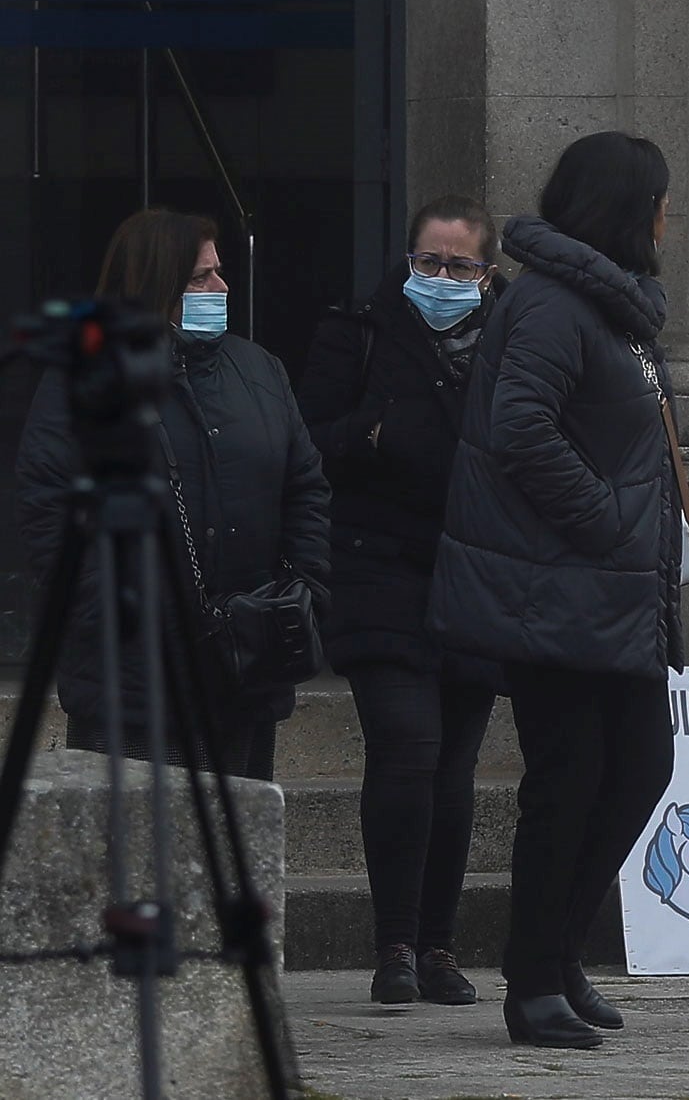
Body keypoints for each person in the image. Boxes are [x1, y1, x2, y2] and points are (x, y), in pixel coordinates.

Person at [428, 131, 682, 1050]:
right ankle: (532, 980)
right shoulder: (549, 307)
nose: (668, 216)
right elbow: (521, 431)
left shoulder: (617, 312)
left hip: (615, 595)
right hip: (558, 591)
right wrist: (610, 521)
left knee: (639, 768)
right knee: (567, 782)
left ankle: (558, 953)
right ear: (625, 208)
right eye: (658, 198)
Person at [15, 207, 330, 781]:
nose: (221, 287)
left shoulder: (258, 371)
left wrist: (301, 589)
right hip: (133, 679)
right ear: (154, 284)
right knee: (131, 860)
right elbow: (52, 510)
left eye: (218, 271)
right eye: (200, 277)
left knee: (240, 847)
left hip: (243, 665)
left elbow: (305, 486)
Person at [297, 195, 504, 1008]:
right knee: (406, 748)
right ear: (407, 258)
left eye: (460, 266)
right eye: (428, 262)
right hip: (377, 568)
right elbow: (307, 439)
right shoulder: (359, 331)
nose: (442, 278)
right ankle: (393, 944)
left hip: (475, 572)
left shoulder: (511, 342)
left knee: (454, 766)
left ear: (488, 274)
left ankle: (439, 944)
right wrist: (371, 433)